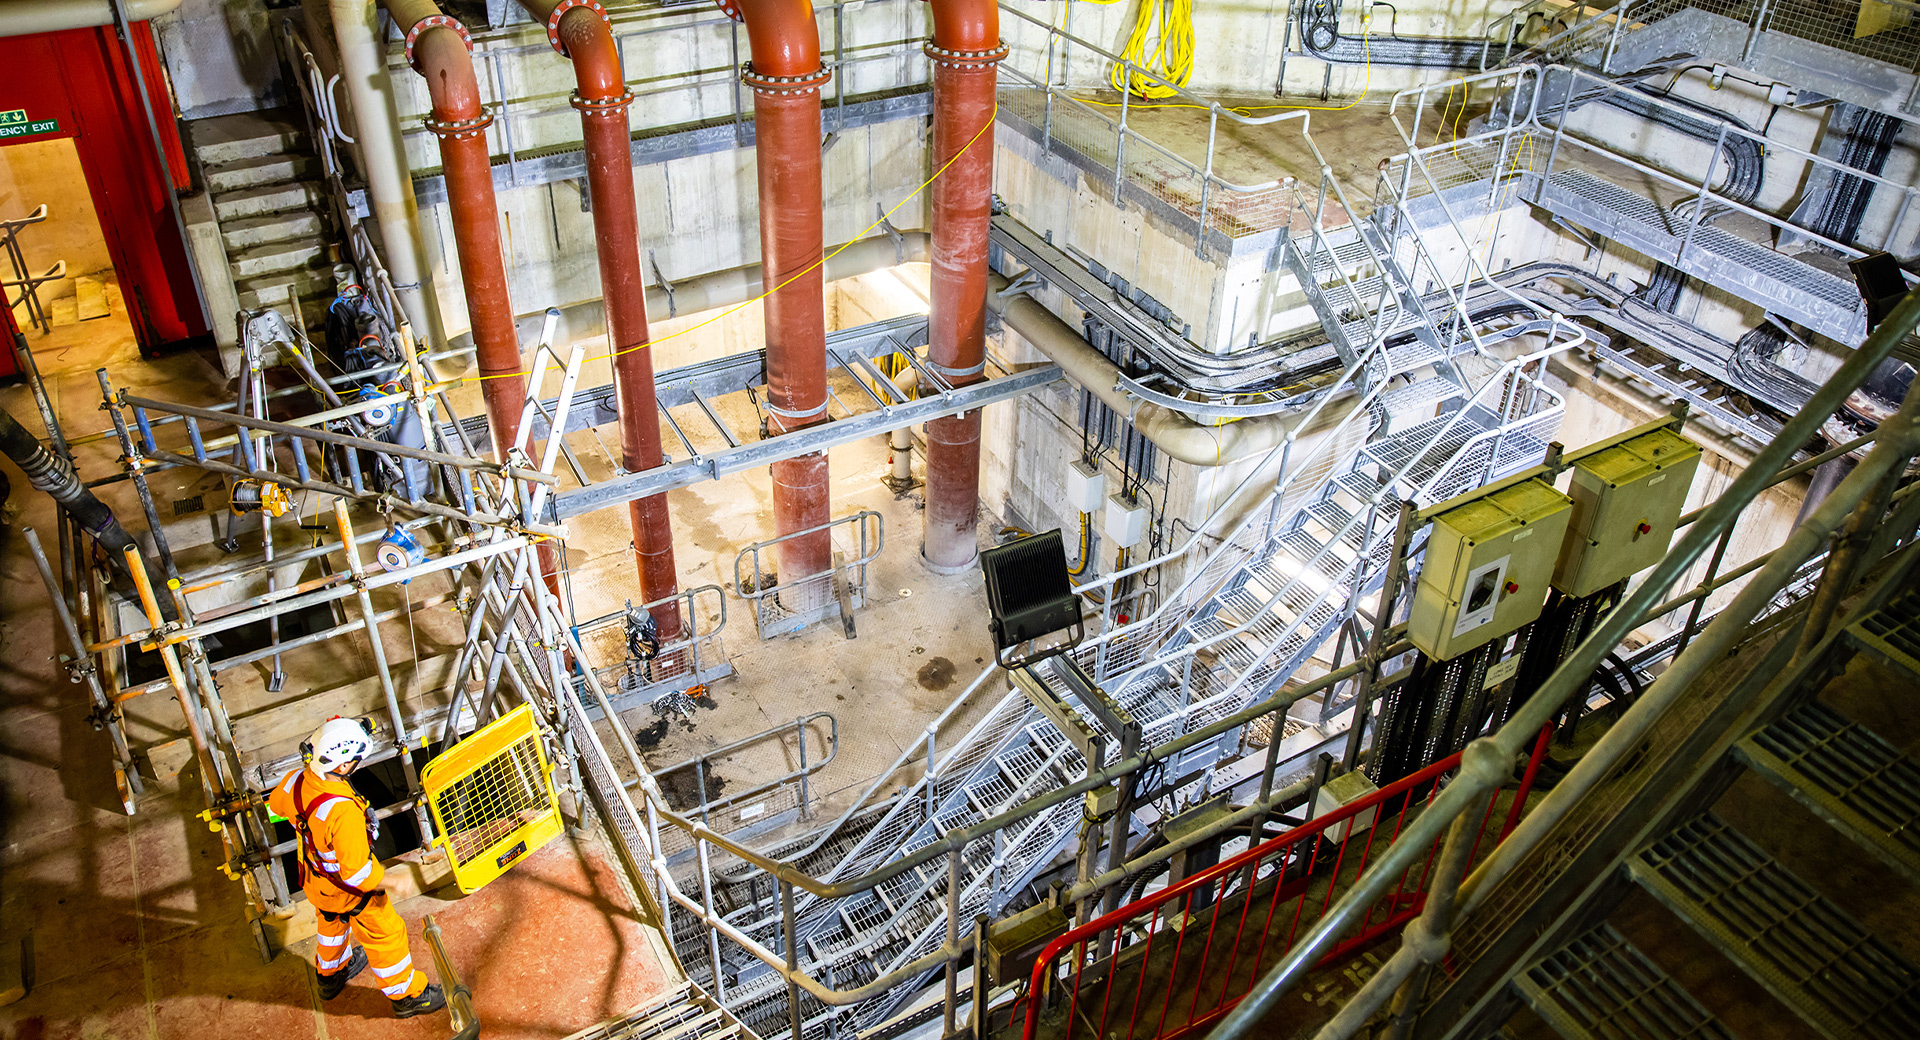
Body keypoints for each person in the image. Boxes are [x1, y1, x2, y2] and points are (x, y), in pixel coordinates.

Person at [267, 717, 446, 1018]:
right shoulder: (343, 813)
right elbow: (357, 873)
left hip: (316, 880)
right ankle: (407, 995)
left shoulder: (295, 781)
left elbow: (275, 806)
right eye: (355, 760)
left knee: (331, 924)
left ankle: (331, 975)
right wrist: (391, 881)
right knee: (386, 934)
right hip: (349, 888)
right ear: (342, 766)